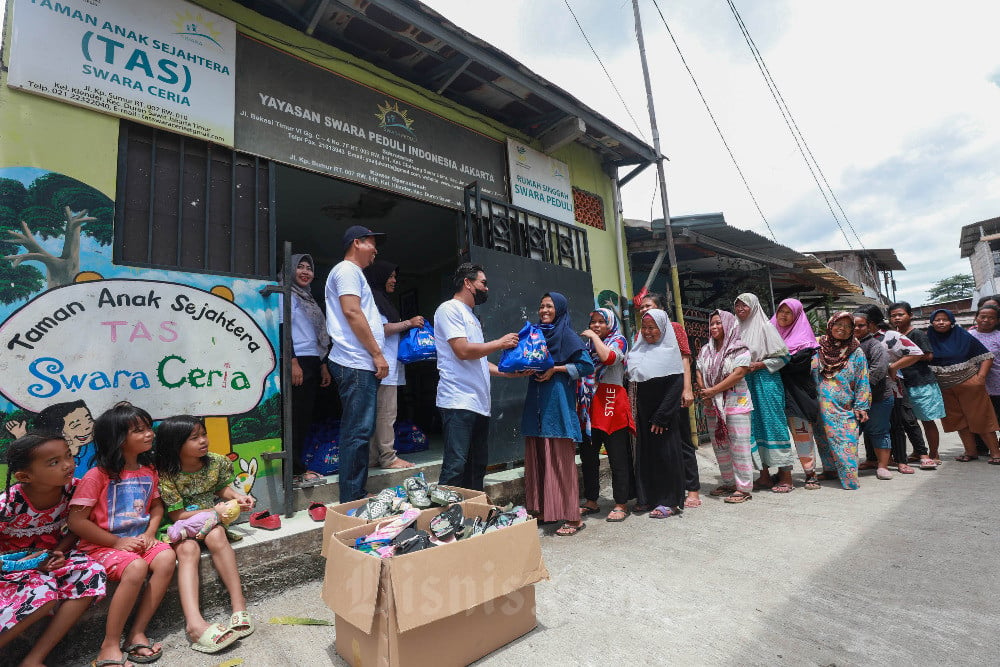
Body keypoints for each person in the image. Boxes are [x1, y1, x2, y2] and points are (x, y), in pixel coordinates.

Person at [67, 402, 176, 665]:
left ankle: (137, 631)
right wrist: (117, 541)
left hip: (138, 541)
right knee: (136, 567)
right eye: (138, 430)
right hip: (100, 545)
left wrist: (150, 532)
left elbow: (157, 506)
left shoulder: (149, 471)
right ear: (117, 439)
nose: (149, 434)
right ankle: (110, 643)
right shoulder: (98, 475)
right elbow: (76, 521)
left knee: (165, 557)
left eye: (148, 428)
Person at [0, 433, 107, 666]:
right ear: (24, 476)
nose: (68, 464)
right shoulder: (8, 503)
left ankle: (34, 659)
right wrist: (18, 564)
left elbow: (77, 527)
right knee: (44, 591)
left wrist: (60, 550)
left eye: (68, 455)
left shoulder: (74, 490)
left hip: (53, 557)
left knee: (91, 573)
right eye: (54, 462)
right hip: (11, 568)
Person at [154, 416, 258, 654]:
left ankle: (238, 606)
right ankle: (194, 624)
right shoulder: (167, 473)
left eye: (204, 434)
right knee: (188, 549)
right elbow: (178, 514)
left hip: (211, 521)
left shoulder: (217, 462)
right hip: (180, 526)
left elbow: (221, 487)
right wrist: (216, 510)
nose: (203, 441)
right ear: (175, 444)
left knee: (217, 536)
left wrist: (236, 497)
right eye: (194, 438)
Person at [434, 263, 520, 491]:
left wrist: (507, 372)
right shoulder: (449, 309)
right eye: (483, 283)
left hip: (479, 404)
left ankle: (472, 515)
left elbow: (478, 360)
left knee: (477, 466)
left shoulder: (471, 316)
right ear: (467, 282)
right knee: (455, 466)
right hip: (458, 401)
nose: (487, 288)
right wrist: (500, 343)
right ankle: (443, 521)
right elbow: (462, 351)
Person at [522, 293, 594, 535]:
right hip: (536, 401)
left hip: (558, 402)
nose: (544, 310)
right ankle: (545, 510)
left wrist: (557, 369)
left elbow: (586, 366)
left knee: (559, 459)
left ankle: (573, 518)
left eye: (549, 306)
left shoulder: (566, 335)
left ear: (560, 309)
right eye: (541, 305)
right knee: (540, 455)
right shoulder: (535, 334)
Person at [325, 226, 388, 503]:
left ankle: (355, 492)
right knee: (358, 432)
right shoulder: (347, 270)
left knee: (359, 430)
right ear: (356, 243)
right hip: (356, 362)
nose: (376, 250)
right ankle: (352, 497)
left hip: (358, 362)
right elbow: (352, 311)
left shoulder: (353, 273)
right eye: (372, 244)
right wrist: (376, 354)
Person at [635, 293, 700, 507]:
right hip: (649, 400)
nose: (644, 310)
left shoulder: (672, 328)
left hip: (674, 393)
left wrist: (687, 389)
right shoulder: (642, 334)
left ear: (660, 308)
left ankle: (692, 489)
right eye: (642, 307)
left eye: (649, 306)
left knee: (680, 441)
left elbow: (684, 357)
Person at [627, 309, 686, 519]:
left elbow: (676, 385)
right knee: (646, 456)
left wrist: (662, 416)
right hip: (644, 413)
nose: (648, 332)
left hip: (663, 416)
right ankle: (648, 497)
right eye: (645, 327)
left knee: (665, 456)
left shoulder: (670, 352)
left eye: (653, 327)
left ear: (663, 328)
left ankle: (669, 501)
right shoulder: (638, 351)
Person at [364, 260, 423, 470]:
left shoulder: (380, 300)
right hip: (382, 365)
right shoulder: (374, 300)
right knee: (386, 414)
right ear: (380, 277)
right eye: (391, 276)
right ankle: (388, 457)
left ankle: (373, 457)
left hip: (384, 365)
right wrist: (409, 323)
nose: (394, 281)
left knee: (377, 414)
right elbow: (381, 329)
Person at [697, 310, 761, 503]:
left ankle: (743, 488)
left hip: (736, 402)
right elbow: (698, 370)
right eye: (712, 324)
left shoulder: (739, 349)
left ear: (729, 325)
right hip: (712, 403)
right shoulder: (705, 349)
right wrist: (704, 392)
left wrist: (712, 391)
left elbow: (738, 374)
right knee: (720, 444)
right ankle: (728, 482)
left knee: (739, 445)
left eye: (718, 323)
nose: (714, 327)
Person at [734, 293, 796, 493]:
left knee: (773, 424)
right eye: (737, 306)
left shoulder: (766, 327)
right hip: (745, 382)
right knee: (754, 427)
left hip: (766, 381)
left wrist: (760, 364)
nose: (741, 309)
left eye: (745, 306)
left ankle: (786, 476)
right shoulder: (735, 329)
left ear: (753, 307)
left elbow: (784, 357)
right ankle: (764, 476)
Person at [578, 308, 635, 522]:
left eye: (602, 322)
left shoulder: (619, 341)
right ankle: (592, 500)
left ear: (610, 323)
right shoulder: (586, 347)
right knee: (588, 455)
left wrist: (593, 336)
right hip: (590, 402)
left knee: (617, 456)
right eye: (593, 322)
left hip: (611, 400)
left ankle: (620, 503)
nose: (596, 325)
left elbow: (609, 358)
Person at [281, 253, 332, 488]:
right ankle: (292, 472)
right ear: (290, 270)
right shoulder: (286, 294)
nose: (305, 272)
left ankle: (297, 468)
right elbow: (284, 329)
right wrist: (292, 362)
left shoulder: (308, 298)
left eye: (308, 268)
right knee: (294, 417)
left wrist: (322, 365)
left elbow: (315, 336)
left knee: (305, 417)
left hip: (312, 360)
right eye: (299, 267)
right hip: (297, 359)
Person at [857, 304, 927, 472]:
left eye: (861, 323)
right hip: (864, 389)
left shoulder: (889, 336)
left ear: (871, 323)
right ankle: (873, 459)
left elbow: (916, 352)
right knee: (869, 424)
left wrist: (893, 368)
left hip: (890, 386)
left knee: (896, 423)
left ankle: (901, 460)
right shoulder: (855, 340)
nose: (856, 326)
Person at [926, 309, 1000, 463]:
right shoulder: (928, 338)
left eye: (945, 319)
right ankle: (970, 452)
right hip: (945, 387)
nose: (941, 322)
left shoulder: (963, 336)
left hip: (969, 383)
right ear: (932, 322)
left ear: (952, 321)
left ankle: (996, 454)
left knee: (981, 418)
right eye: (937, 319)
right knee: (958, 420)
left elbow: (987, 357)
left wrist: (980, 378)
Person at [812, 313, 871, 490]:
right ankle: (830, 471)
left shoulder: (856, 351)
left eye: (847, 326)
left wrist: (861, 405)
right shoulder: (816, 347)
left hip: (844, 405)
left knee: (846, 440)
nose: (842, 329)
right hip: (819, 404)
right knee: (823, 438)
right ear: (830, 325)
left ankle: (849, 478)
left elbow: (863, 379)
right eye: (839, 324)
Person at [770, 298, 821, 489]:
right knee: (778, 435)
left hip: (797, 396)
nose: (783, 315)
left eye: (788, 312)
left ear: (797, 315)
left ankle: (810, 473)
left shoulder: (805, 342)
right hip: (774, 395)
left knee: (802, 434)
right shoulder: (770, 332)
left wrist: (772, 360)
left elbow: (792, 364)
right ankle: (783, 472)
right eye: (780, 311)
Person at [889, 302, 945, 465]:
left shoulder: (917, 334)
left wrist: (904, 358)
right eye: (893, 315)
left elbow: (928, 355)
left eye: (900, 314)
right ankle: (918, 451)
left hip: (921, 382)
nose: (897, 318)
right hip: (902, 383)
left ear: (910, 315)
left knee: (927, 420)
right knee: (909, 421)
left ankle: (934, 454)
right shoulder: (894, 335)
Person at [853, 312, 895, 480]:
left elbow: (878, 369)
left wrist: (857, 387)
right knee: (850, 433)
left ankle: (883, 466)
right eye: (853, 325)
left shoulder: (874, 345)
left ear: (869, 326)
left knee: (879, 430)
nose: (856, 328)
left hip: (878, 397)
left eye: (860, 325)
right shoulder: (841, 345)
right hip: (848, 399)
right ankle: (846, 466)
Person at [969, 304, 1000, 435]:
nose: (986, 320)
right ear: (976, 318)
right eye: (983, 316)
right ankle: (980, 448)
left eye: (991, 318)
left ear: (998, 320)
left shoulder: (998, 336)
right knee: (978, 416)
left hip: (997, 384)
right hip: (974, 384)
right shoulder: (967, 335)